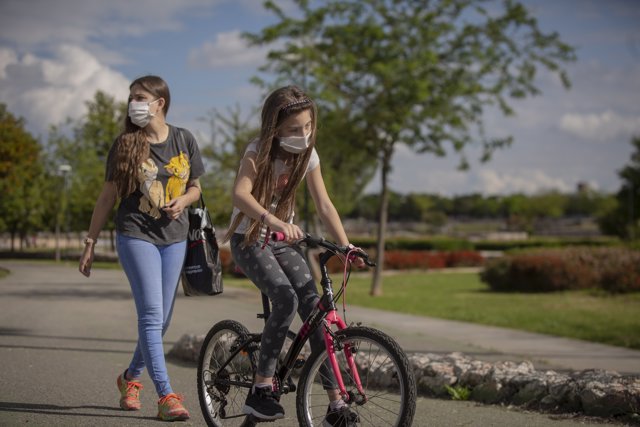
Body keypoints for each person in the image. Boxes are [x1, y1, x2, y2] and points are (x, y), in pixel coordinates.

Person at [225, 85, 362, 426]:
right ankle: (260, 388)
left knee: (315, 310)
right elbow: (240, 195)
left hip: (283, 241)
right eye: (293, 129)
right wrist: (272, 219)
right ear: (274, 128)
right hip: (250, 237)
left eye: (308, 127)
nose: (303, 135)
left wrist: (346, 247)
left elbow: (325, 205)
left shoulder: (308, 156)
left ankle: (335, 406)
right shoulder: (257, 151)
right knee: (284, 298)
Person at [78, 75, 204, 422]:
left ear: (159, 102)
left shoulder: (184, 138)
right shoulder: (125, 144)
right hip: (136, 234)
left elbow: (196, 187)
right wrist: (89, 242)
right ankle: (166, 396)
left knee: (161, 320)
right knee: (151, 314)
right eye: (132, 97)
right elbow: (107, 197)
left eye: (140, 96)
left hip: (175, 237)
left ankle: (130, 378)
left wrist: (184, 201)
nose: (133, 102)